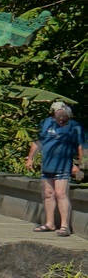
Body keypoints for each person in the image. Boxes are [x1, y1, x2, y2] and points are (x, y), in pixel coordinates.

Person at [29, 100, 81, 236]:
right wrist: (30, 158)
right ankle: (49, 223)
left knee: (60, 194)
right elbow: (38, 141)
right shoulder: (45, 123)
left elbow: (80, 145)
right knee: (48, 193)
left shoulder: (74, 127)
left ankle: (64, 226)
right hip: (47, 165)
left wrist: (79, 164)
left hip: (63, 165)